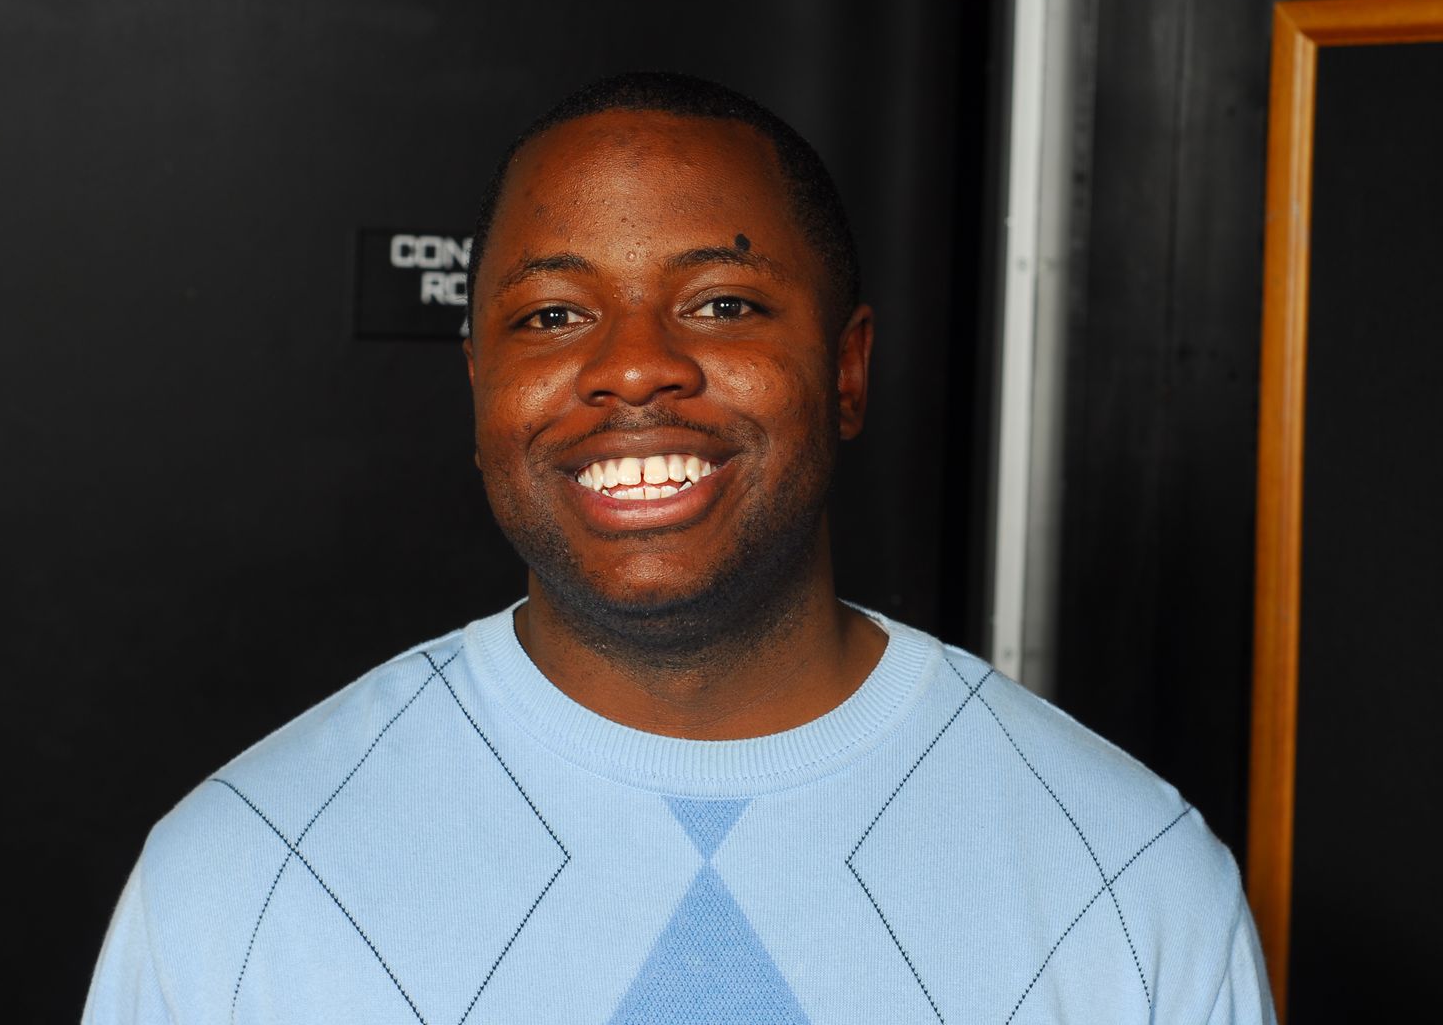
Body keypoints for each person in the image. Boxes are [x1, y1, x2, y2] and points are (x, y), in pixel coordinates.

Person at [84, 72, 1274, 1024]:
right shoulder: (245, 875)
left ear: (848, 369)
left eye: (721, 303)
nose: (634, 366)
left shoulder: (1127, 881)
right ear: (479, 382)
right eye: (554, 316)